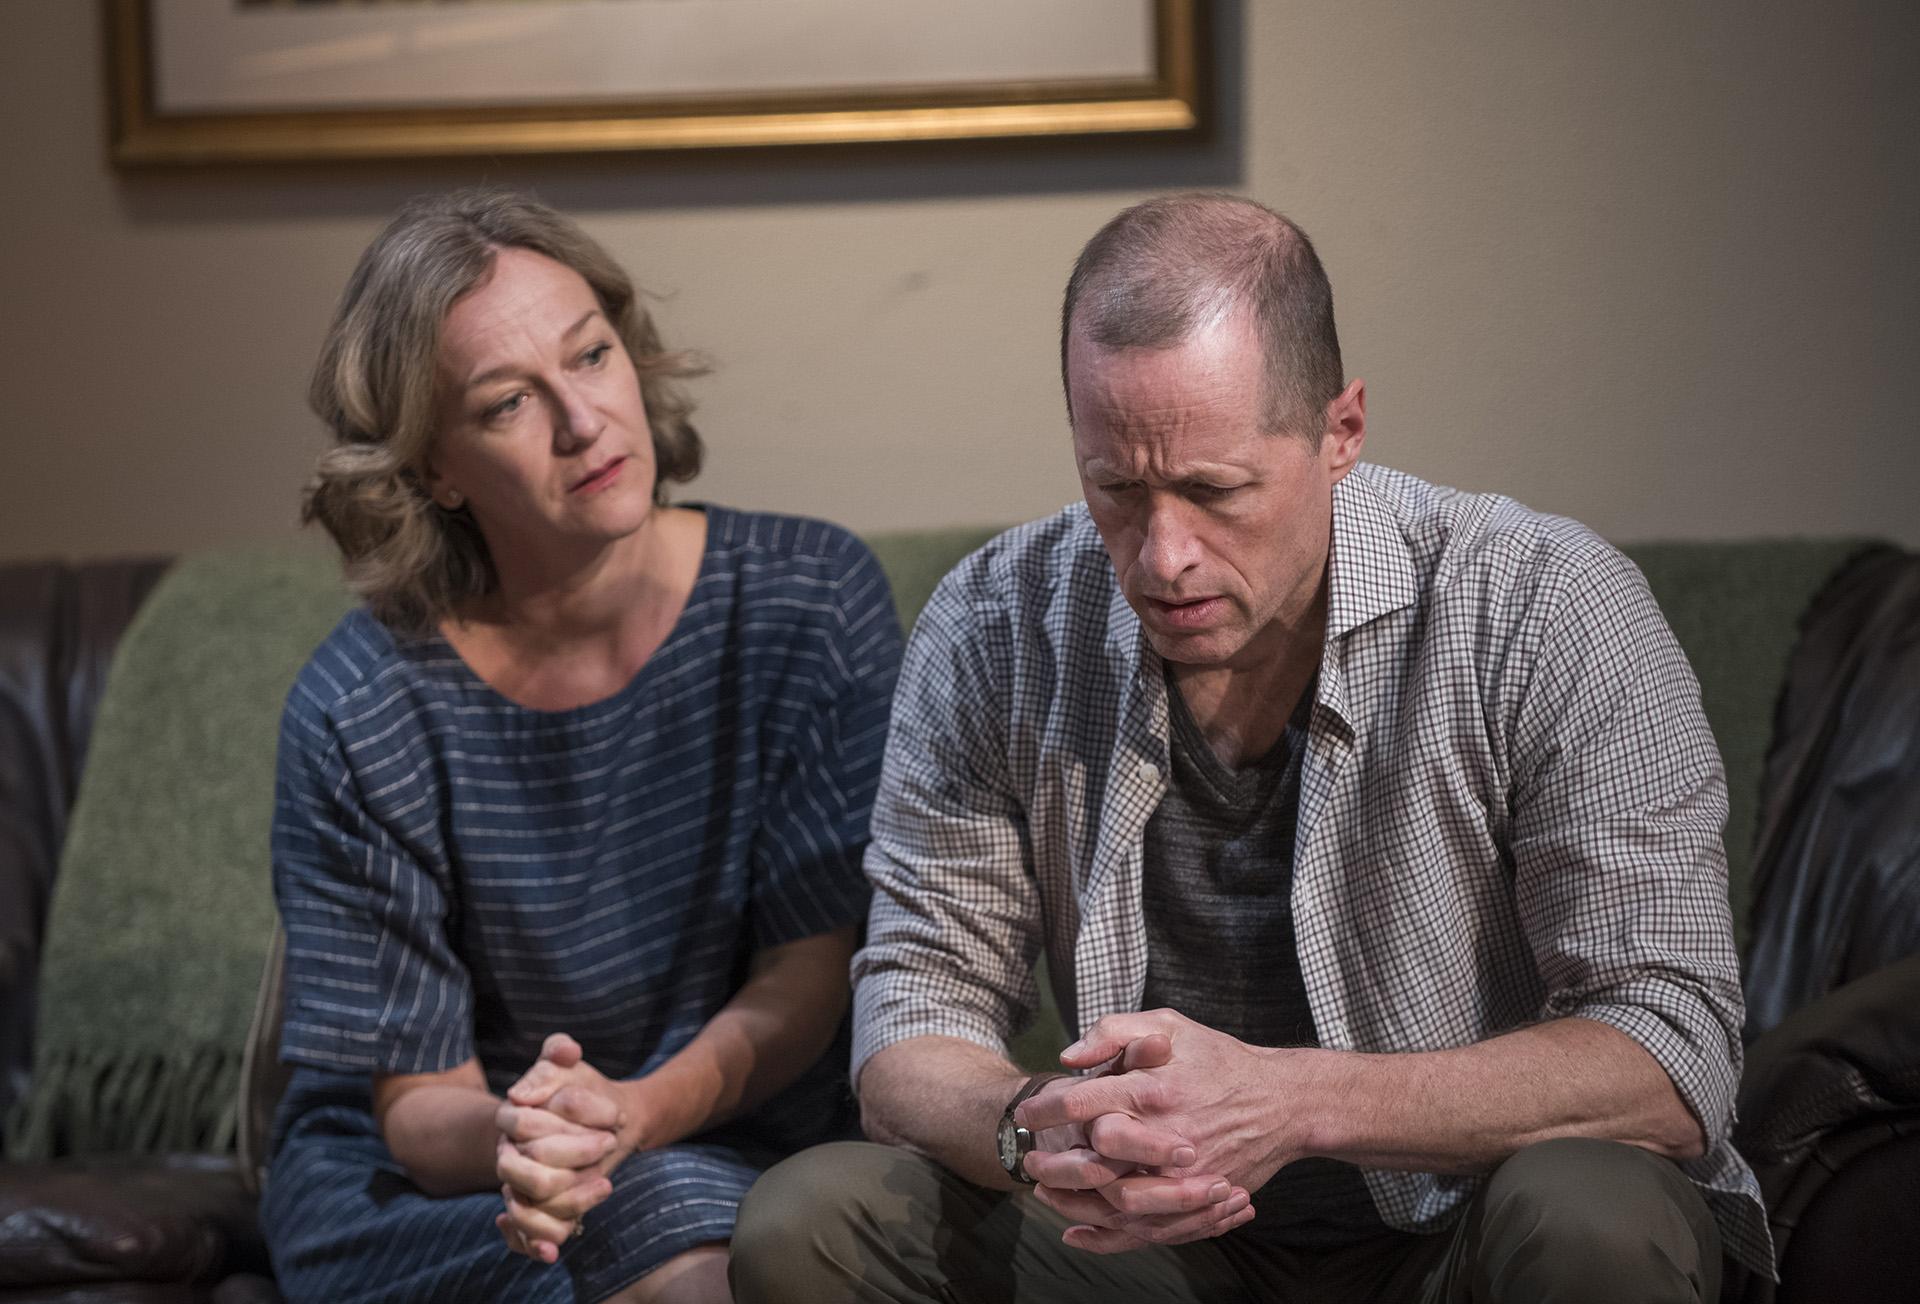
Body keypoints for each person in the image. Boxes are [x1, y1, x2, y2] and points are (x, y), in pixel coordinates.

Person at [730, 193, 1769, 1302]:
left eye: (1216, 491)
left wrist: (1290, 1100)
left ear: (1341, 432)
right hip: (1157, 1250)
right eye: (1115, 489)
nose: (1162, 556)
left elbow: (1670, 1047)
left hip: (1470, 1228)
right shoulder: (997, 627)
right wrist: (1045, 1131)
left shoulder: (1544, 605)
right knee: (813, 1220)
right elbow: (910, 1020)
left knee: (1593, 1213)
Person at [259, 189, 901, 1304]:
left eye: (592, 355)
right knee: (663, 1244)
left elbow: (810, 971)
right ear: (433, 469)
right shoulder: (360, 709)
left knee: (697, 1231)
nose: (584, 421)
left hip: (737, 1128)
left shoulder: (810, 601)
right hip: (441, 1185)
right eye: (508, 402)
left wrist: (635, 1115)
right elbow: (418, 1107)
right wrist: (541, 1132)